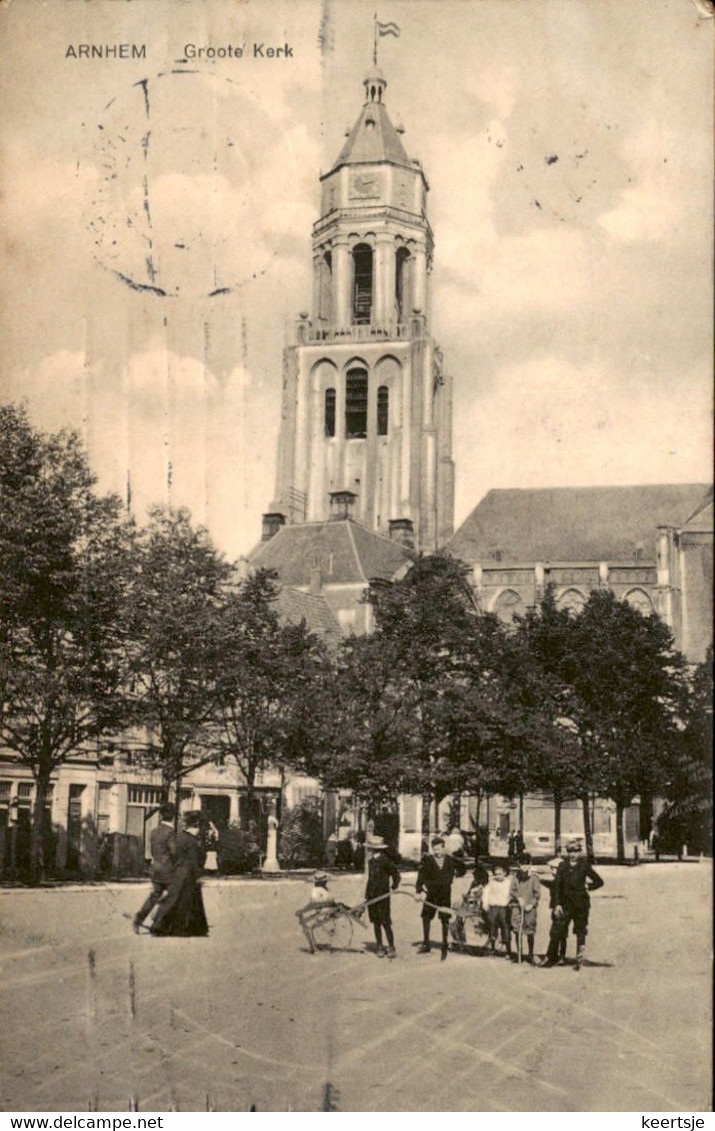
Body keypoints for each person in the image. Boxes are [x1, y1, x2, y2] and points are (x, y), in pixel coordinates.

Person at [539, 839, 603, 968]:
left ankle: (579, 958)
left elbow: (599, 881)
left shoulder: (584, 866)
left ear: (580, 852)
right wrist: (557, 904)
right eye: (570, 852)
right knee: (557, 929)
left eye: (576, 851)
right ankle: (550, 957)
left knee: (580, 930)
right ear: (567, 853)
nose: (573, 854)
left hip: (581, 904)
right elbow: (557, 886)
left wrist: (588, 887)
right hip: (565, 904)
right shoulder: (562, 866)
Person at [150, 810, 208, 937]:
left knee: (174, 900)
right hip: (187, 874)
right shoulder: (192, 841)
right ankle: (182, 928)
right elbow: (194, 861)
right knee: (186, 902)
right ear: (196, 826)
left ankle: (159, 926)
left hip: (177, 872)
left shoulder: (179, 837)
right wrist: (198, 874)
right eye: (199, 827)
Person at [416, 835, 465, 960]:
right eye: (435, 849)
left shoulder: (450, 860)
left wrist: (457, 875)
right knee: (426, 916)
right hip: (431, 893)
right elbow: (421, 876)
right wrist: (419, 890)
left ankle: (444, 943)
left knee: (444, 918)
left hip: (444, 893)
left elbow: (462, 868)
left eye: (439, 849)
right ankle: (426, 942)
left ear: (443, 849)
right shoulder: (427, 860)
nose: (437, 852)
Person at [133, 802, 177, 933]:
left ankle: (139, 918)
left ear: (162, 816)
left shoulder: (154, 832)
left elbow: (153, 851)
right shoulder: (170, 833)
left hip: (156, 868)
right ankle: (158, 920)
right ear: (173, 816)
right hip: (168, 870)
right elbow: (174, 852)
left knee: (154, 895)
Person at [364, 836, 400, 959]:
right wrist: (367, 895)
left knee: (385, 922)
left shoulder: (385, 860)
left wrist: (394, 886)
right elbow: (370, 879)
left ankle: (391, 947)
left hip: (382, 895)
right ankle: (379, 946)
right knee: (376, 922)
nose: (369, 850)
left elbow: (396, 874)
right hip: (372, 895)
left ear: (374, 849)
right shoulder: (371, 861)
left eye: (370, 848)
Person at [296, 871, 347, 953]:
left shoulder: (317, 890)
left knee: (306, 925)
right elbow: (318, 903)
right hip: (328, 910)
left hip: (324, 912)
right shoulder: (324, 890)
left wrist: (302, 910)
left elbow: (313, 904)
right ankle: (356, 912)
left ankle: (311, 947)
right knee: (340, 905)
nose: (326, 882)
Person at [510, 852, 541, 963]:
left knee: (529, 930)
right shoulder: (515, 877)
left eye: (526, 864)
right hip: (517, 907)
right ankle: (519, 954)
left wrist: (531, 904)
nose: (524, 866)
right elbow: (512, 890)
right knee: (517, 930)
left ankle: (531, 954)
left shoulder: (534, 878)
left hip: (529, 908)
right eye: (522, 864)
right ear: (518, 865)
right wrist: (518, 898)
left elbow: (537, 894)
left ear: (530, 864)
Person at [482, 862, 514, 957]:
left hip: (504, 907)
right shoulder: (491, 883)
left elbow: (512, 893)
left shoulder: (508, 883)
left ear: (505, 873)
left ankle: (508, 950)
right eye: (495, 874)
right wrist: (485, 903)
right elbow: (486, 893)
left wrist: (511, 901)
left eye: (500, 874)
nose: (498, 876)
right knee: (492, 926)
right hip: (493, 907)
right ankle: (492, 948)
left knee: (505, 926)